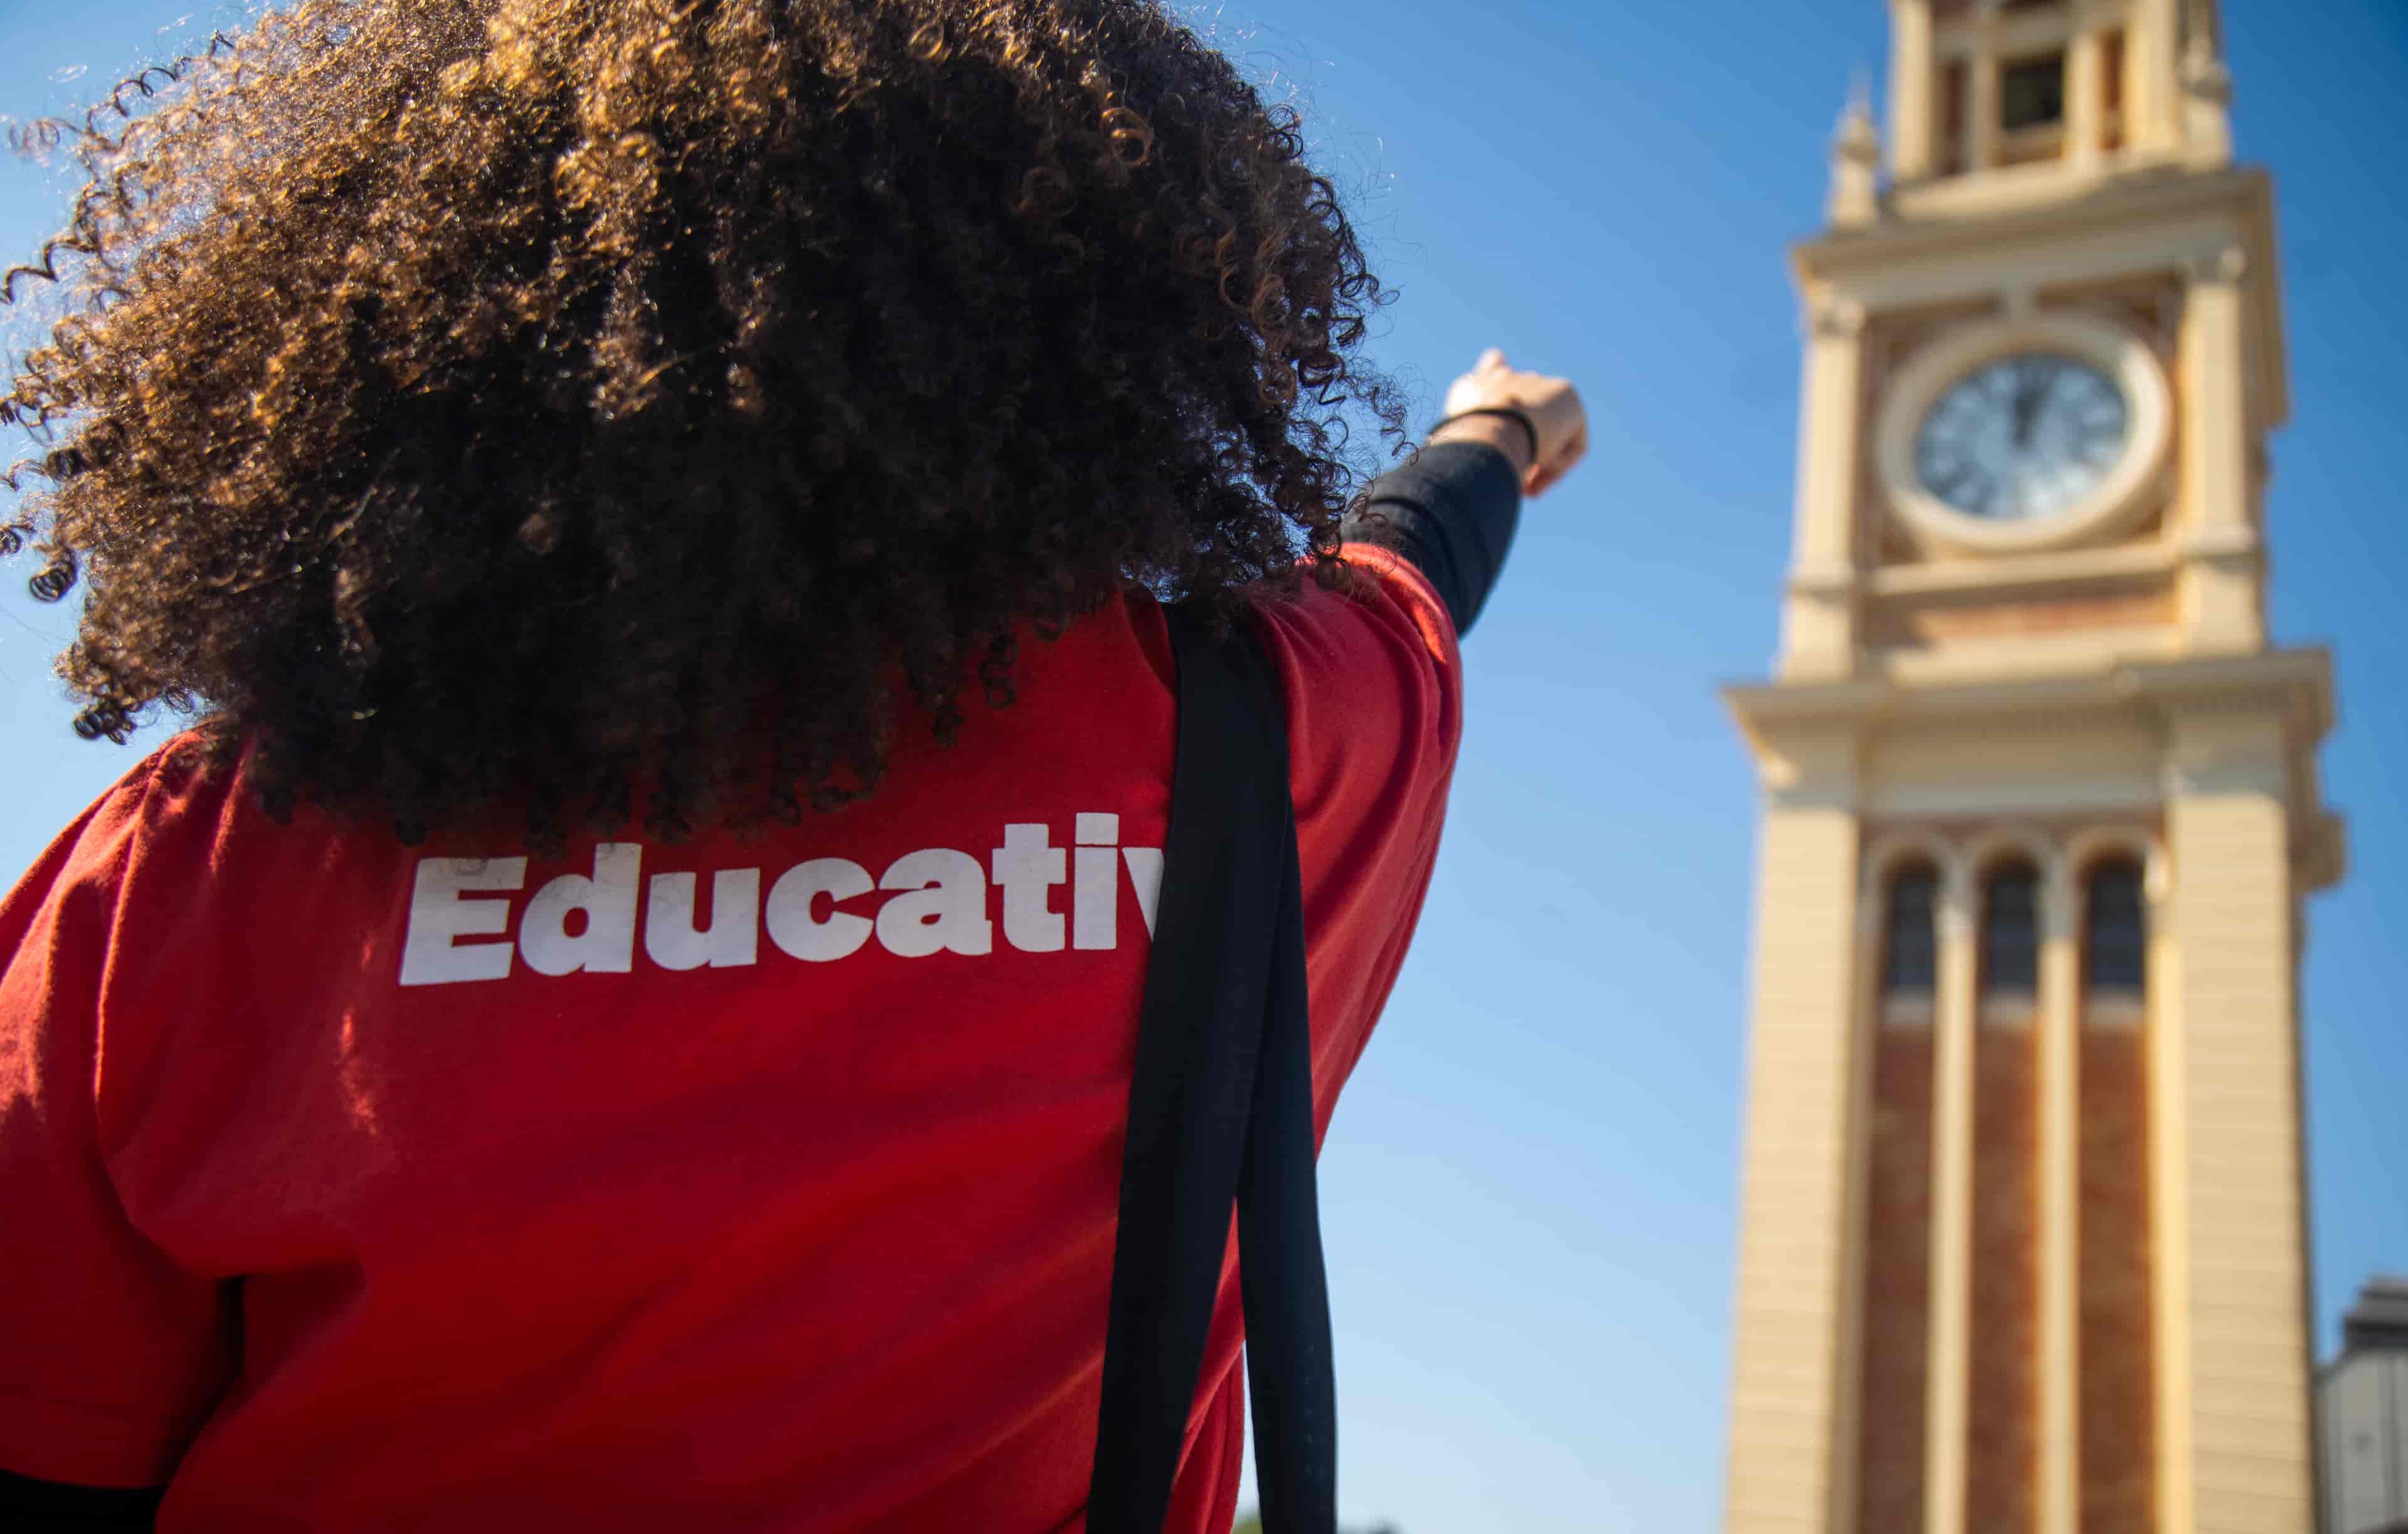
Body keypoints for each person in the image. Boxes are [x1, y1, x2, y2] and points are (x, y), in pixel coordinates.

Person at [0, 0, 1588, 1528]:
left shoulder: (191, 864)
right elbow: (1407, 567)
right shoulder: (1258, 746)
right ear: (1077, 301)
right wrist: (1494, 430)